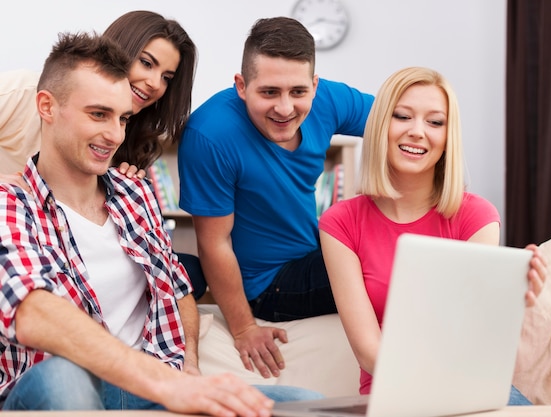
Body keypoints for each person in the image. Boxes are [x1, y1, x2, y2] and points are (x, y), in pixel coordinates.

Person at [0, 31, 321, 413]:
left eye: (122, 118)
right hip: (58, 386)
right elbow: (32, 310)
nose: (114, 134)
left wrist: (188, 371)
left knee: (304, 403)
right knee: (63, 376)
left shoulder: (136, 193)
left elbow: (176, 286)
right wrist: (165, 384)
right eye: (98, 114)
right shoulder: (12, 203)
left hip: (151, 390)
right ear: (47, 107)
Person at [318, 67, 547, 405]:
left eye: (435, 122)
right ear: (381, 124)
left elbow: (469, 337)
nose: (417, 132)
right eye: (402, 116)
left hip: (468, 392)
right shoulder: (340, 222)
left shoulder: (476, 216)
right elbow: (369, 353)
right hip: (392, 396)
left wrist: (508, 301)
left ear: (447, 136)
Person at [177, 16, 374, 379]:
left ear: (314, 86)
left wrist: (383, 188)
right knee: (383, 266)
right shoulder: (210, 135)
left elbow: (399, 124)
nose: (285, 108)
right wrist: (244, 328)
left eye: (298, 92)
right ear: (241, 85)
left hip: (312, 251)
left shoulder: (328, 99)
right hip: (268, 284)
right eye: (269, 92)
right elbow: (214, 244)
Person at [0, 10, 206, 299]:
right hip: (19, 239)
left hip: (72, 247)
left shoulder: (129, 141)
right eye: (146, 63)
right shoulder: (22, 92)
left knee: (189, 271)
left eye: (167, 77)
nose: (154, 83)